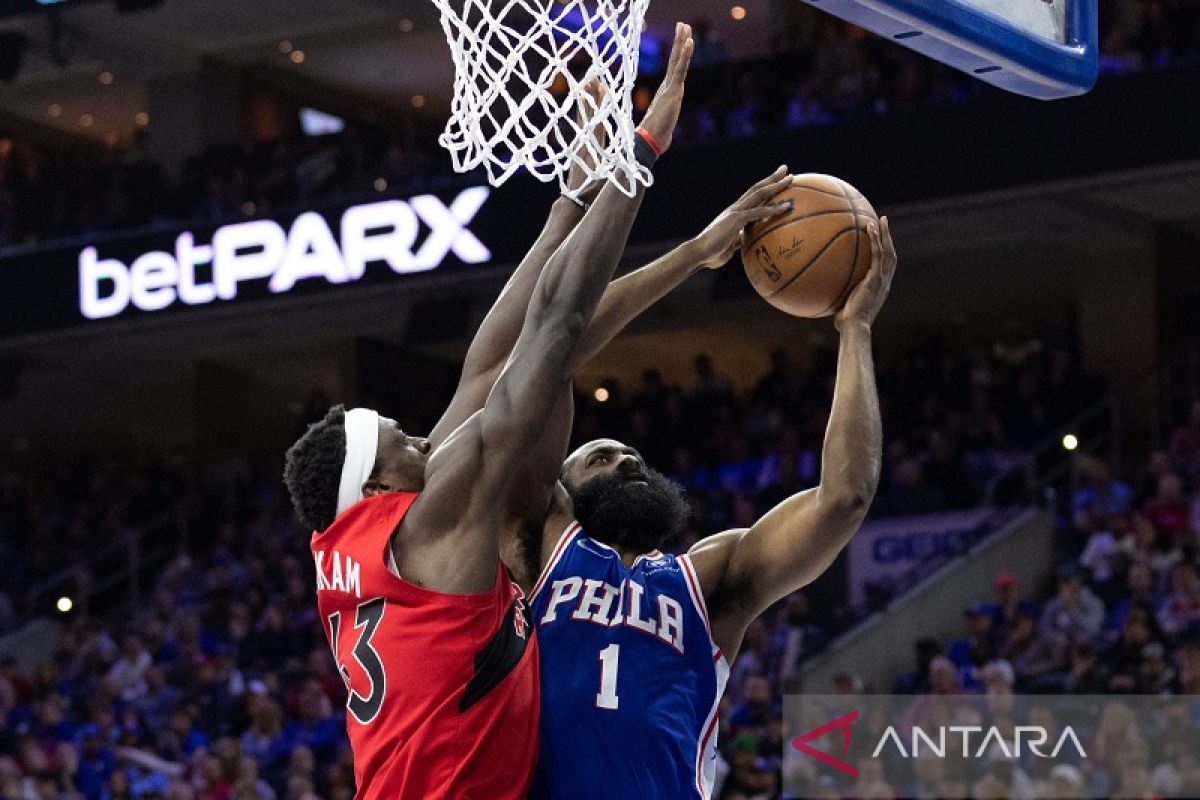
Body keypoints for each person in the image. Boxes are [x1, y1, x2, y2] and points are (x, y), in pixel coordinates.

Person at [281, 25, 703, 800]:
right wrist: (636, 157)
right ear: (379, 489)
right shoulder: (434, 518)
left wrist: (569, 200)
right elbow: (551, 331)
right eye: (401, 441)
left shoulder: (353, 538)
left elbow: (485, 367)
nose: (421, 435)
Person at [525, 218, 895, 797]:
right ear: (561, 490)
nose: (628, 462)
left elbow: (843, 499)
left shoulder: (707, 576)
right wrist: (690, 250)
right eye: (601, 457)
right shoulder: (537, 549)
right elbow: (553, 348)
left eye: (635, 457)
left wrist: (855, 331)